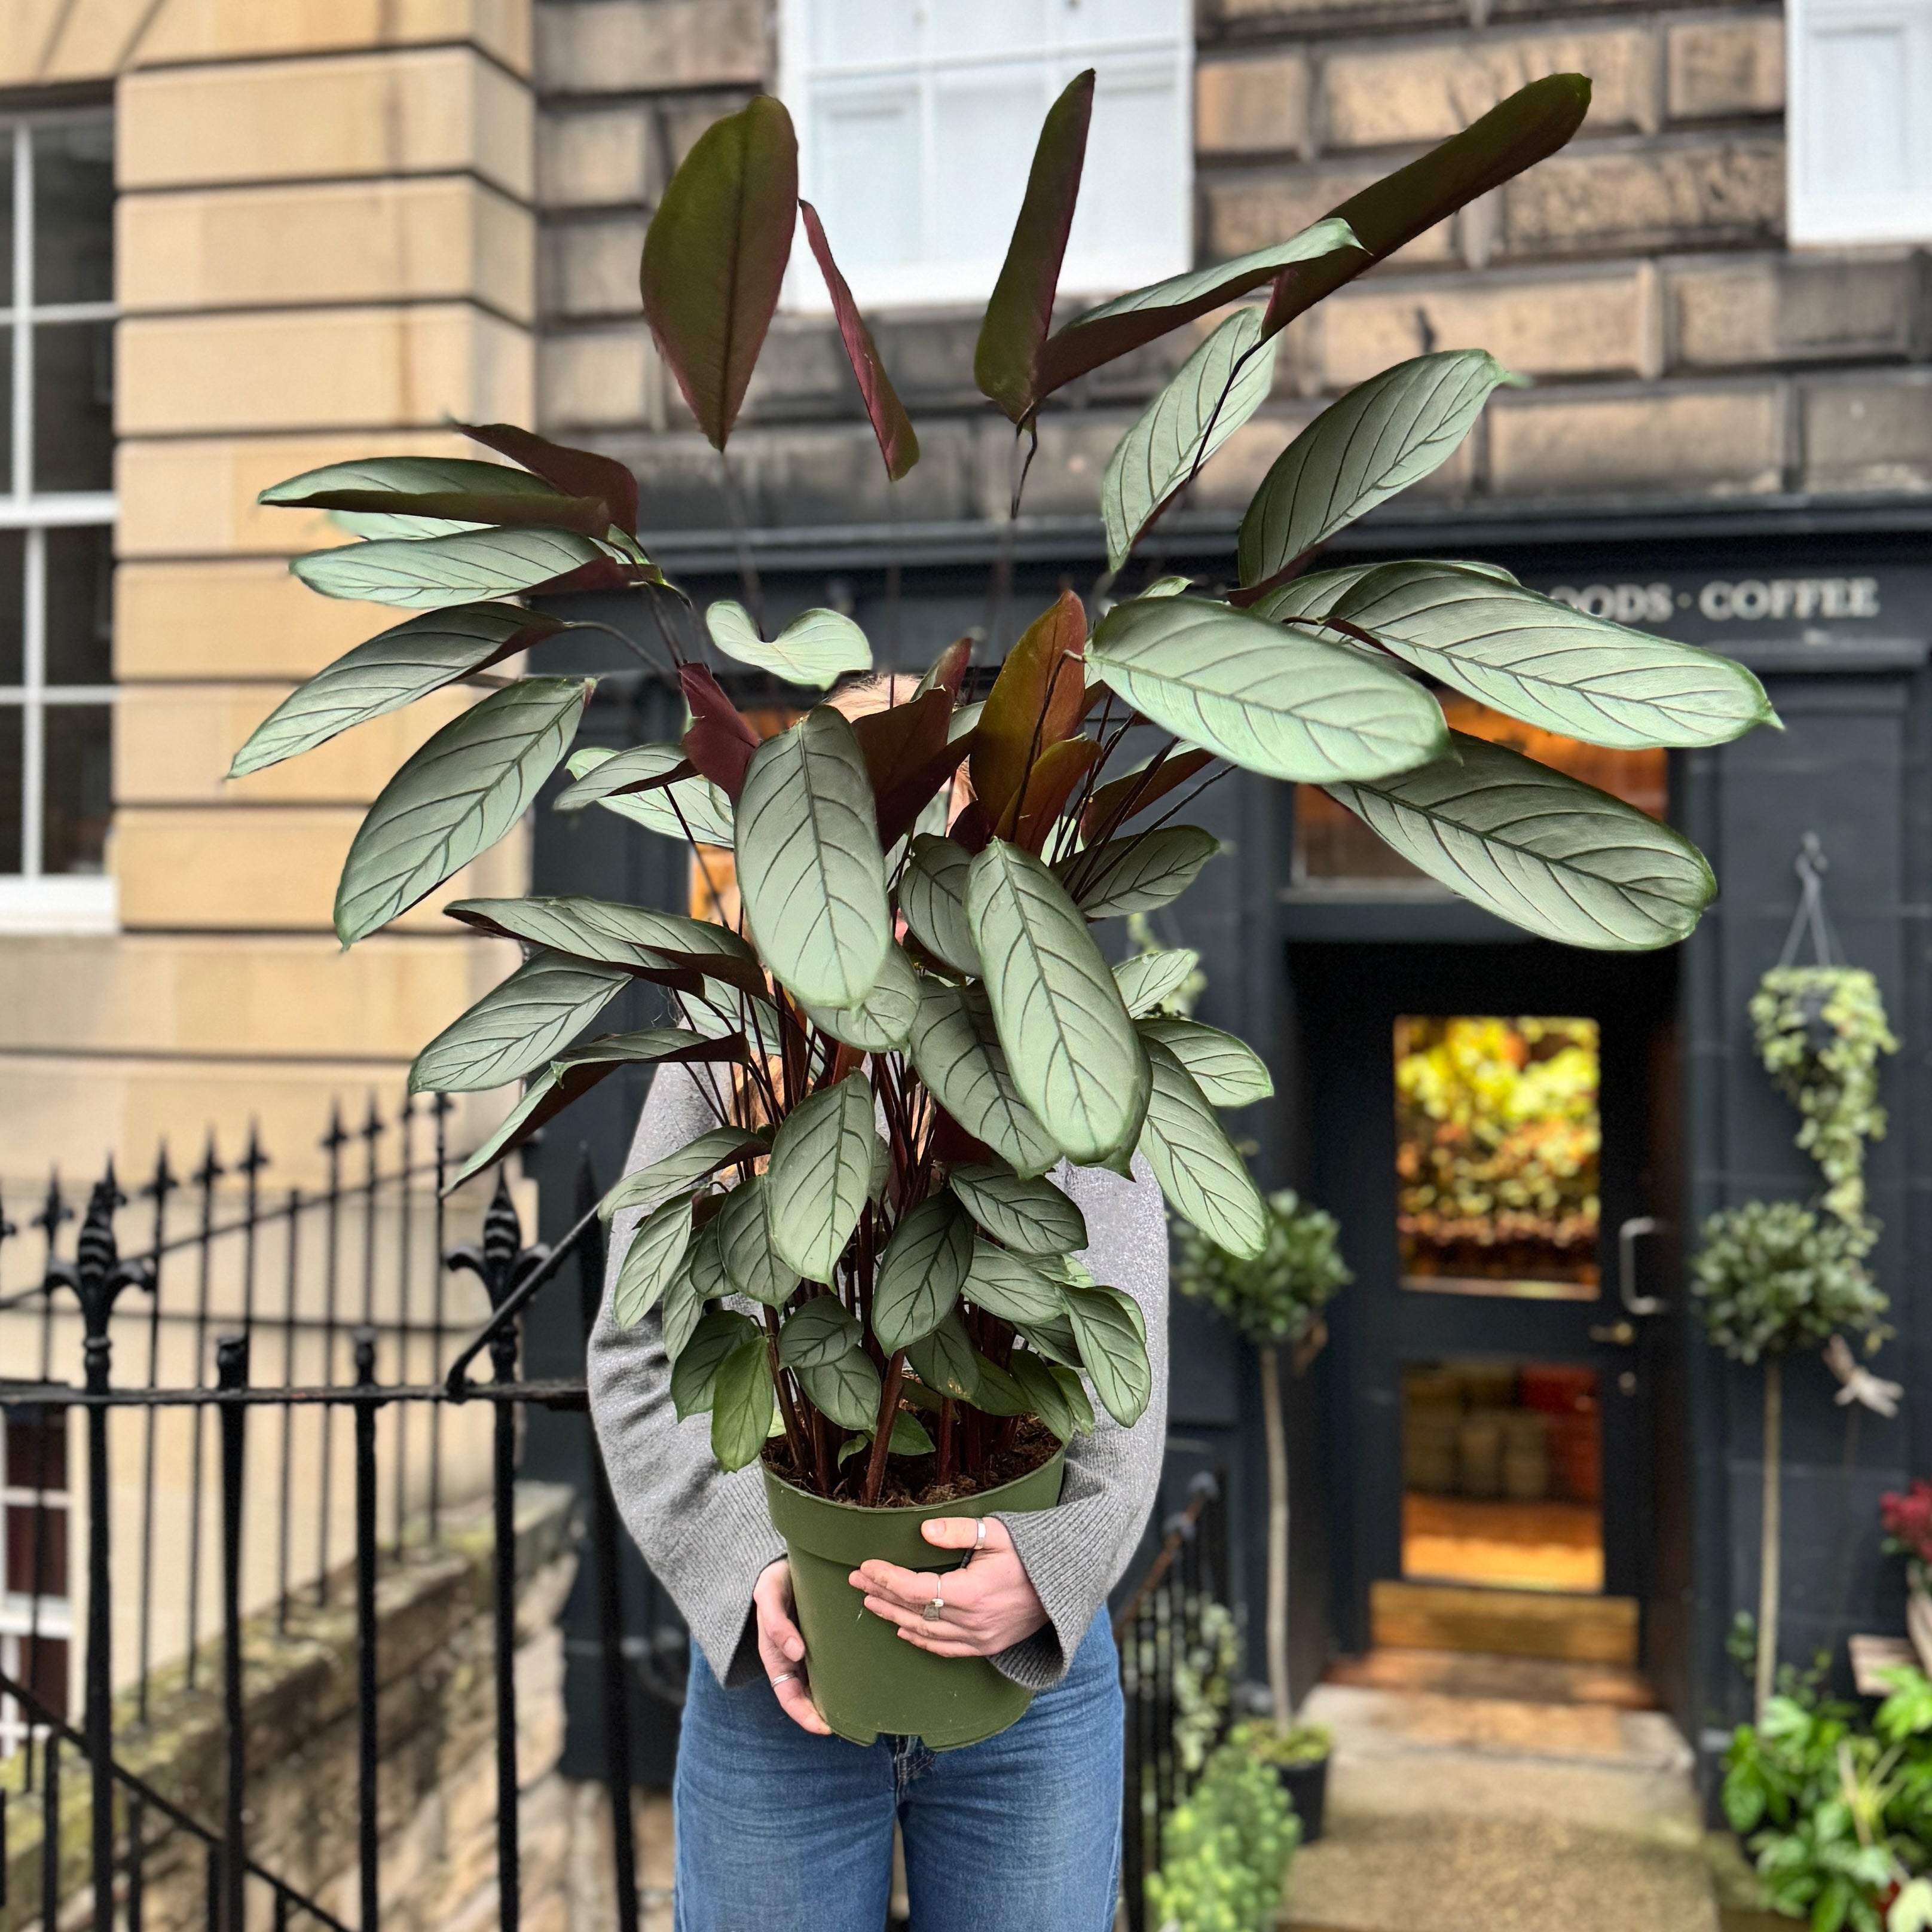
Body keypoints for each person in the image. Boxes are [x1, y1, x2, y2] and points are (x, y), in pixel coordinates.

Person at [588, 1057, 1170, 1931]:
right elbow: (635, 1353)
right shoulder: (724, 1021)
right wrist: (750, 1556)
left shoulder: (1045, 1007)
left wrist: (1053, 1565)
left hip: (1029, 1689)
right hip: (785, 1672)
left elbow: (1125, 1365)